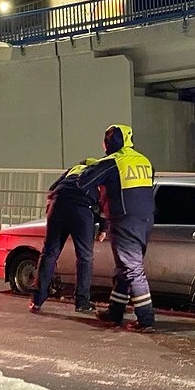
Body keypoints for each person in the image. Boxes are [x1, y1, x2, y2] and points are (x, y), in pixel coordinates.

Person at [77, 125, 156, 333]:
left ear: (111, 142)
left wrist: (92, 164)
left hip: (124, 220)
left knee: (132, 269)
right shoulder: (144, 161)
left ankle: (146, 318)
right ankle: (115, 312)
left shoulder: (112, 163)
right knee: (124, 268)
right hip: (145, 219)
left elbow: (83, 181)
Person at [31, 158, 106, 314]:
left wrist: (50, 209)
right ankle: (82, 302)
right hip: (81, 210)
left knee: (49, 254)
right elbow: (104, 203)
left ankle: (36, 300)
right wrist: (103, 229)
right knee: (85, 258)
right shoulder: (99, 173)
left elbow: (52, 189)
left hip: (58, 206)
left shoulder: (73, 170)